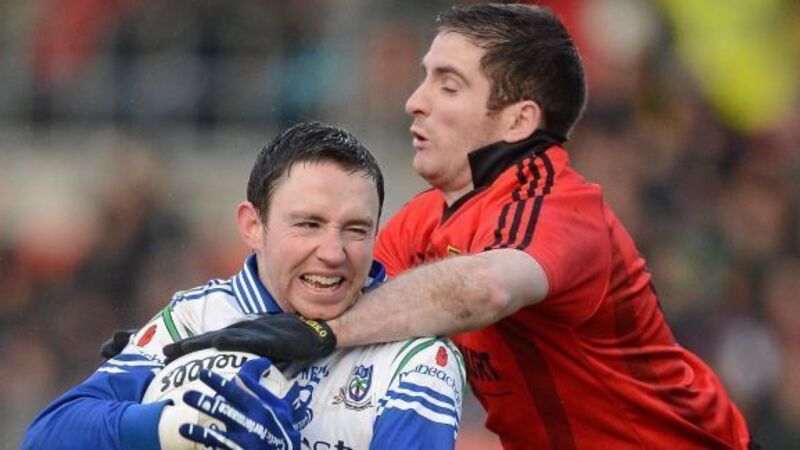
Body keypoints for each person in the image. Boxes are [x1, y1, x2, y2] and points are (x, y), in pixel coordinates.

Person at [159, 4, 753, 450]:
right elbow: (320, 298)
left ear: (518, 121)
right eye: (425, 79)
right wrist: (162, 350)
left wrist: (323, 334)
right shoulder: (428, 218)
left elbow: (485, 287)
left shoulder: (558, 204)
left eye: (447, 85)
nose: (415, 101)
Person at [23, 122, 464, 450]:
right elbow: (47, 436)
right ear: (253, 226)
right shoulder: (196, 319)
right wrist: (177, 426)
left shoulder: (417, 359)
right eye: (308, 224)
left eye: (355, 229)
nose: (333, 253)